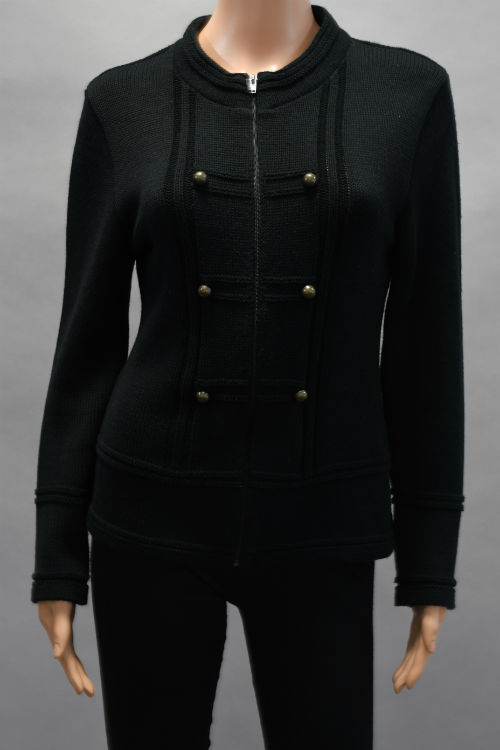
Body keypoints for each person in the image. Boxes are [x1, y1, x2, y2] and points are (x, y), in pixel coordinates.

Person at [31, 2, 464, 748]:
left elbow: (425, 343)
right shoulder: (122, 101)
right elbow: (87, 343)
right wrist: (58, 556)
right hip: (147, 517)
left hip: (324, 521)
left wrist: (430, 561)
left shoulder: (408, 94)